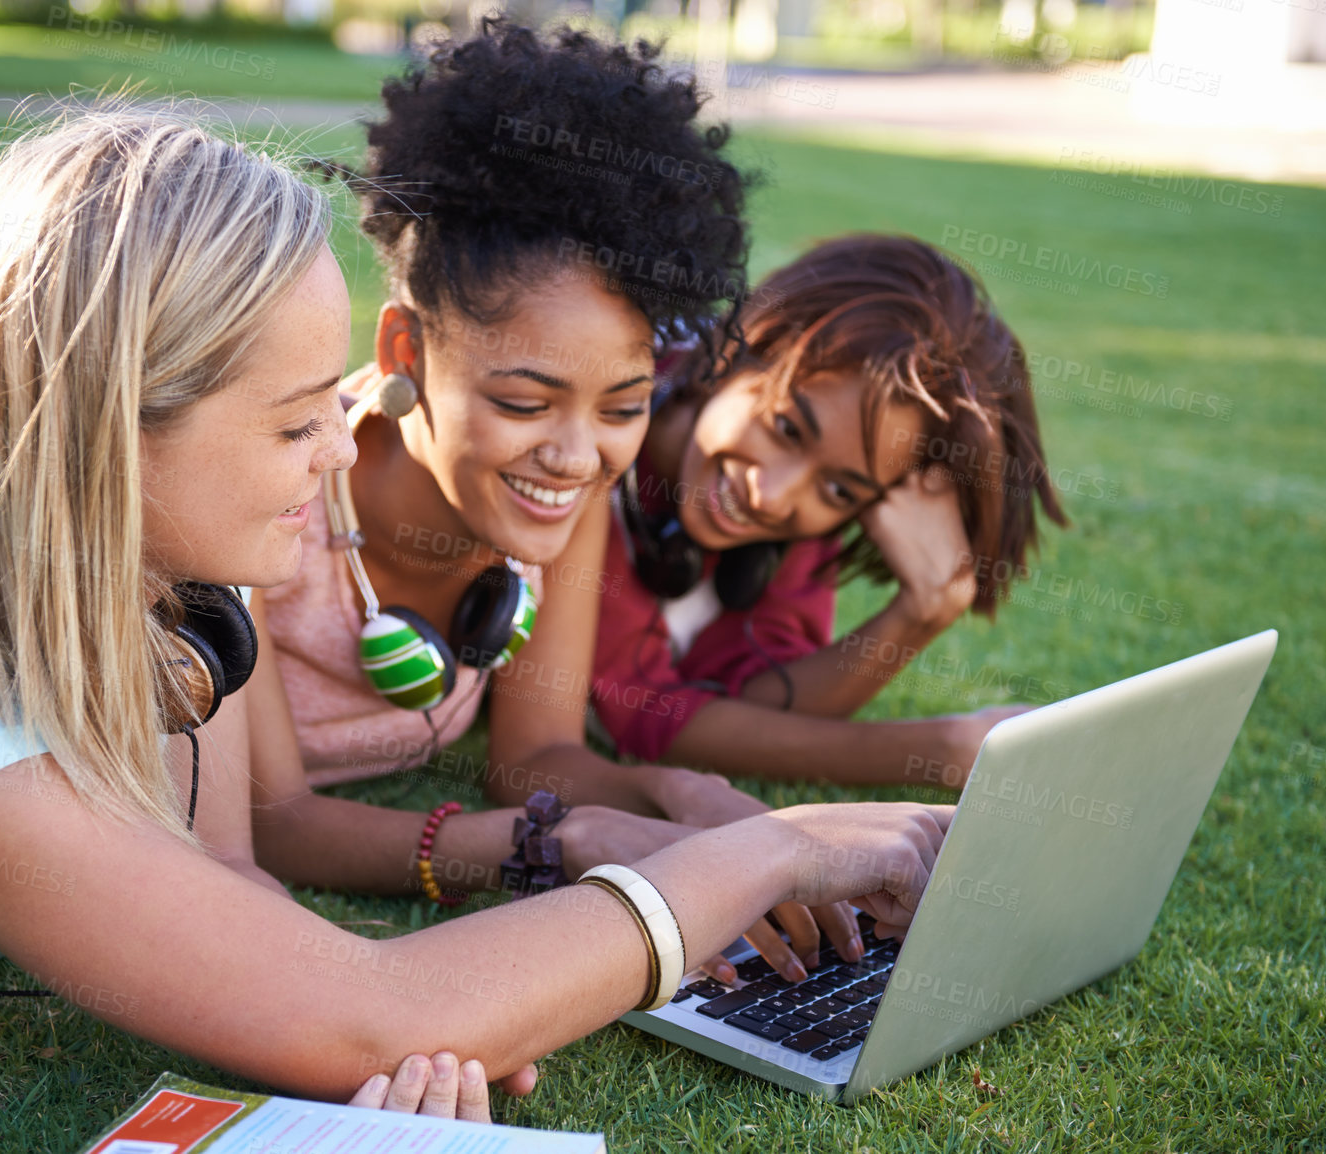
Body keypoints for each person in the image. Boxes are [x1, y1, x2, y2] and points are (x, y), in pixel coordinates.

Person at [0, 107, 953, 1121]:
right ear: (105, 440)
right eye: (291, 422)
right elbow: (360, 1009)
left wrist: (467, 1002)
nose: (340, 453)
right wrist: (770, 854)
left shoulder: (163, 581)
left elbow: (237, 886)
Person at [237, 21, 871, 984]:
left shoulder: (562, 504)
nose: (575, 458)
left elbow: (535, 756)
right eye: (523, 402)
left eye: (624, 406)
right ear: (407, 352)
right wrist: (551, 845)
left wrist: (675, 794)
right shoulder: (276, 493)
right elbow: (276, 824)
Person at [585, 234, 1069, 788]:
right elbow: (636, 714)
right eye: (786, 428)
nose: (773, 497)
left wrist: (924, 612)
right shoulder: (597, 431)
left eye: (842, 491)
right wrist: (940, 749)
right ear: (748, 343)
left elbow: (761, 698)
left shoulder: (805, 499)